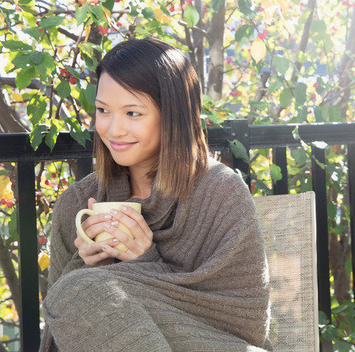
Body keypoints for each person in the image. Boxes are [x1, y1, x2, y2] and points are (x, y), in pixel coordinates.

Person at [40, 38, 270, 351]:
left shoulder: (221, 191)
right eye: (103, 110)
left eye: (133, 113)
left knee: (84, 293)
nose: (114, 129)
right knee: (79, 294)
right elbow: (62, 318)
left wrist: (142, 263)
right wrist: (86, 263)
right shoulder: (78, 203)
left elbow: (246, 324)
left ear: (172, 115)